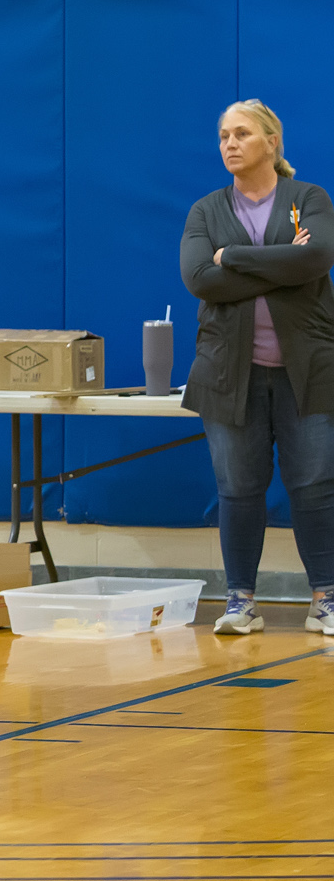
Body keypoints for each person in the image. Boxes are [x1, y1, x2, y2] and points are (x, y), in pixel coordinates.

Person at [180, 99, 334, 637]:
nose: (230, 144)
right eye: (223, 135)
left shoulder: (309, 198)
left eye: (242, 134)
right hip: (228, 372)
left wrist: (234, 257)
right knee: (239, 487)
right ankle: (240, 601)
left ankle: (326, 599)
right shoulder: (205, 210)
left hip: (307, 371)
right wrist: (279, 264)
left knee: (314, 483)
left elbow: (315, 259)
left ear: (272, 141)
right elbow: (200, 279)